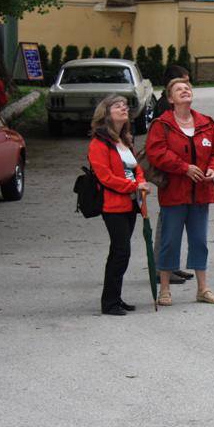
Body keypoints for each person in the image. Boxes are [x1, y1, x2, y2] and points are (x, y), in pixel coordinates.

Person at [145, 77, 214, 306]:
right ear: (170, 99)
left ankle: (203, 288)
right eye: (179, 89)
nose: (185, 91)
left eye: (187, 88)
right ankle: (165, 289)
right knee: (170, 240)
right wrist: (184, 168)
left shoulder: (207, 123)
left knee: (199, 240)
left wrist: (213, 168)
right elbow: (156, 153)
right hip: (174, 192)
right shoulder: (162, 124)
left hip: (201, 191)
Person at [88, 95, 150, 316]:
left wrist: (140, 182)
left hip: (130, 204)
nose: (124, 108)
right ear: (105, 113)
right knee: (121, 251)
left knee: (119, 252)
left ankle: (115, 297)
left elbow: (135, 167)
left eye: (125, 105)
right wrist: (133, 186)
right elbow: (105, 177)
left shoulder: (124, 140)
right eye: (117, 106)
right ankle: (109, 302)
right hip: (113, 205)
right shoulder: (99, 142)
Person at [150, 64, 194, 285]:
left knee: (173, 223)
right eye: (184, 81)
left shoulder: (165, 105)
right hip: (170, 172)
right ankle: (161, 267)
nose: (188, 86)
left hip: (177, 172)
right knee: (167, 223)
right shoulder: (164, 110)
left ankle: (171, 265)